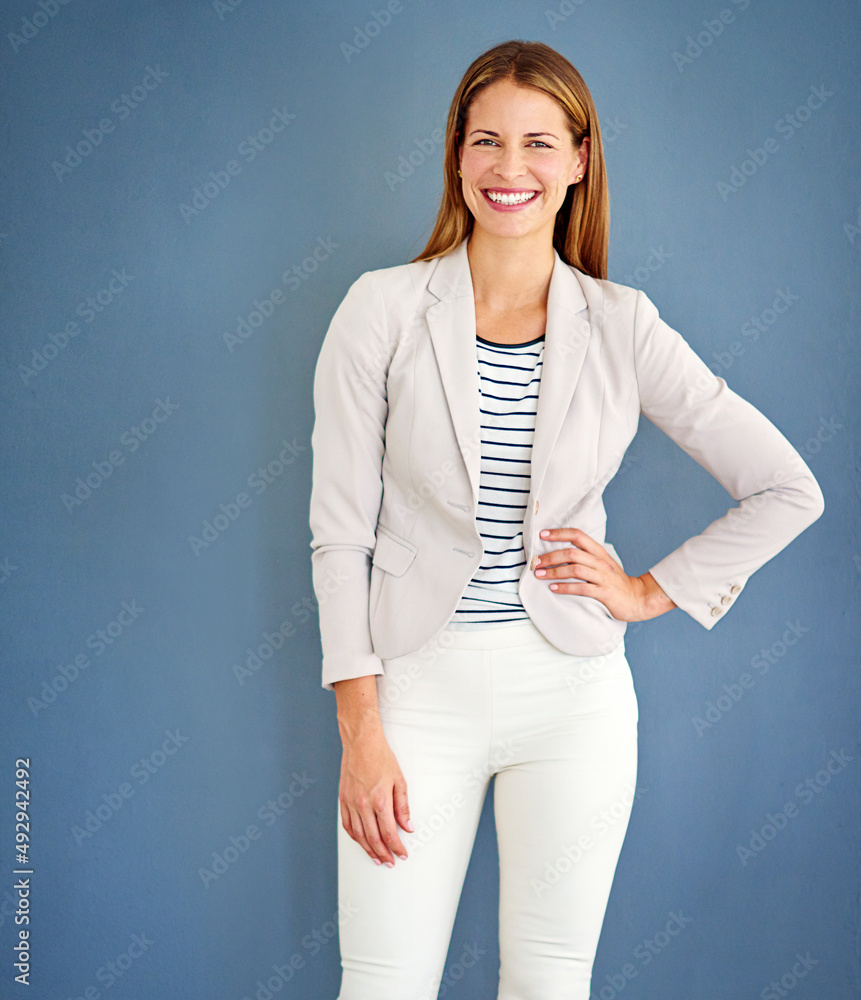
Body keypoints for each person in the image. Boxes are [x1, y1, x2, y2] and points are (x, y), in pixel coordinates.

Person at [308, 39, 824, 1000]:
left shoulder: (622, 323)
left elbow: (787, 487)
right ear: (456, 154)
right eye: (486, 141)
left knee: (549, 983)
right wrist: (360, 733)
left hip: (574, 703)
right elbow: (340, 533)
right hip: (414, 698)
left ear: (581, 159)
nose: (511, 170)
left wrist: (646, 591)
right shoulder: (377, 311)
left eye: (539, 144)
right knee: (382, 984)